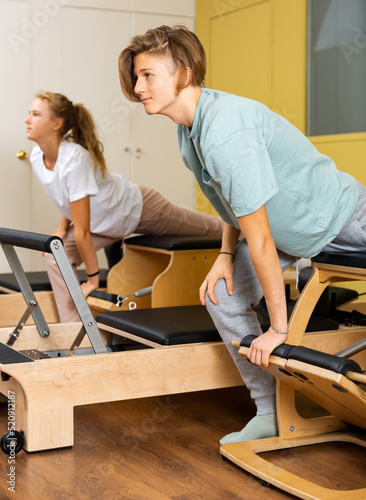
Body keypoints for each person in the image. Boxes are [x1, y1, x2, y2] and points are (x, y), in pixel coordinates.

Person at [118, 25, 366, 445]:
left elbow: (263, 241)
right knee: (223, 293)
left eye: (148, 75)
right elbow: (234, 201)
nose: (138, 86)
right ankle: (269, 411)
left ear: (186, 71)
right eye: (136, 76)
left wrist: (279, 329)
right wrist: (225, 254)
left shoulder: (225, 132)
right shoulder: (189, 131)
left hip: (346, 218)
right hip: (298, 237)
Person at [25, 91, 223, 322]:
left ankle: (245, 229)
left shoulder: (75, 160)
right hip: (104, 224)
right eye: (30, 113)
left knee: (211, 228)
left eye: (36, 114)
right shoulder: (37, 155)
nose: (27, 119)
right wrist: (61, 227)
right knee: (54, 256)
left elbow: (83, 233)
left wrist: (92, 279)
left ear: (56, 123)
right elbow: (66, 196)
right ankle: (75, 329)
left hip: (138, 209)